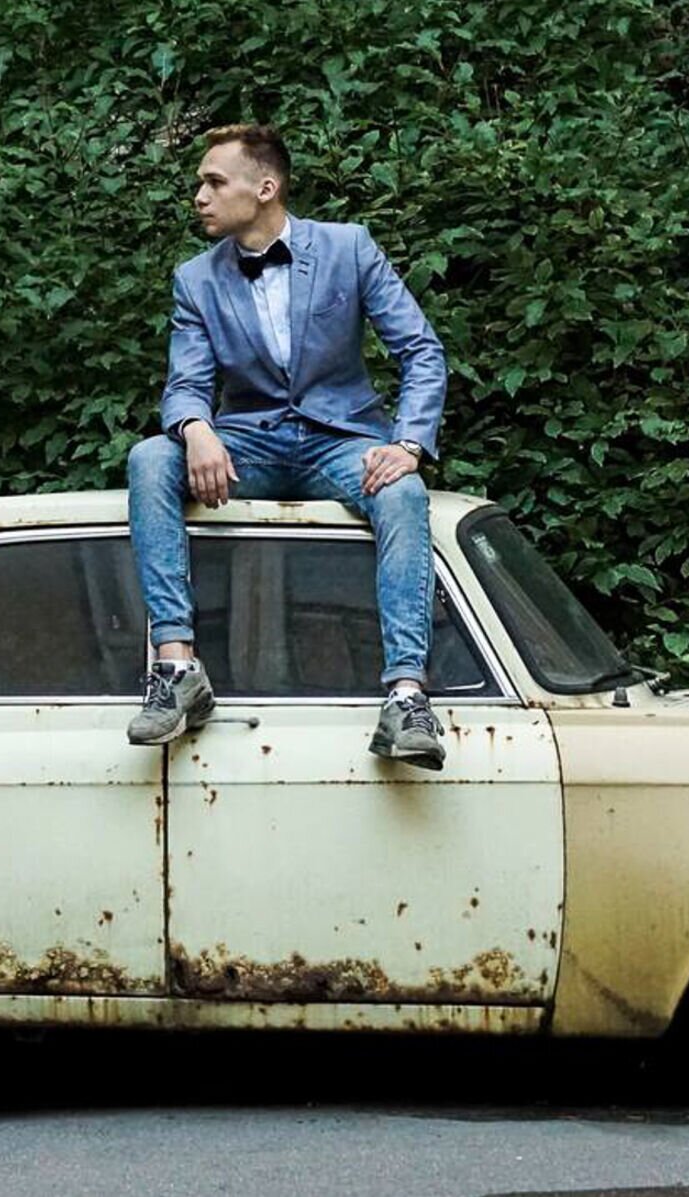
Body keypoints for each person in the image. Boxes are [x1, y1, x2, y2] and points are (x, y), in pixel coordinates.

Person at [126, 123, 449, 770]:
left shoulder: (347, 248)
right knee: (150, 458)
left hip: (341, 442)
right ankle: (177, 668)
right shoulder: (196, 279)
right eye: (200, 183)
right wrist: (196, 430)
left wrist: (409, 444)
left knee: (404, 493)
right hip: (250, 445)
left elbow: (420, 350)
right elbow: (186, 384)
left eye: (214, 182)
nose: (199, 196)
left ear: (265, 188)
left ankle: (406, 698)